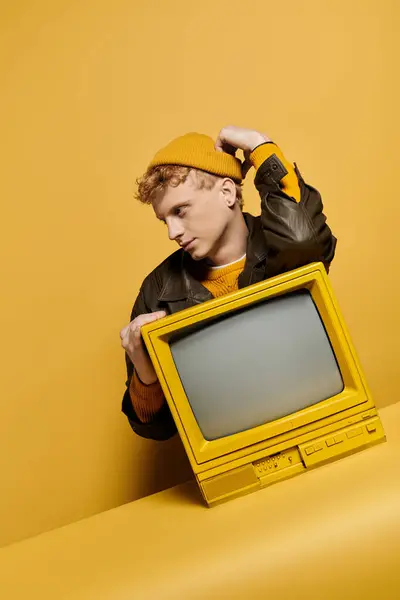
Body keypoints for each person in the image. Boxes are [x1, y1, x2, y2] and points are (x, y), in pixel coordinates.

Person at [120, 125, 336, 441]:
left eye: (180, 210)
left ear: (227, 192)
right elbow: (156, 428)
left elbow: (305, 243)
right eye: (164, 220)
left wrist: (260, 147)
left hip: (321, 431)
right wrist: (145, 374)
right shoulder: (158, 290)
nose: (172, 232)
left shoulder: (282, 243)